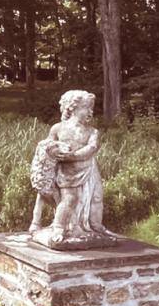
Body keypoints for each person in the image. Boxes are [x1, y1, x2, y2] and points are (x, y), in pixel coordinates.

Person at [30, 89, 110, 248]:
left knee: (97, 197)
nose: (90, 111)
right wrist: (54, 151)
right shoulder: (58, 128)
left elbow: (92, 148)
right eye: (86, 107)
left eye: (91, 108)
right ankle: (59, 227)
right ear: (72, 108)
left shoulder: (92, 131)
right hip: (67, 172)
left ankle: (95, 225)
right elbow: (47, 146)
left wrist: (72, 156)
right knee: (69, 199)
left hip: (88, 169)